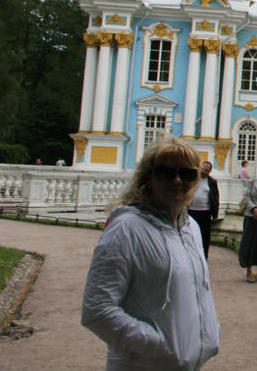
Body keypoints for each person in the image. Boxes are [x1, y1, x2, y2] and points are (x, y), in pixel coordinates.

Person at [82, 134, 220, 370]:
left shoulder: (190, 228)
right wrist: (159, 346)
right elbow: (97, 309)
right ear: (148, 177)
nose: (178, 180)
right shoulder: (126, 229)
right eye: (167, 173)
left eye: (187, 174)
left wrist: (207, 336)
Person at [188, 161, 220, 259]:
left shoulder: (212, 182)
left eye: (206, 170)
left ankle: (204, 256)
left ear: (210, 171)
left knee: (204, 236)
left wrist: (215, 214)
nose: (204, 171)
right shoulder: (193, 179)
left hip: (205, 212)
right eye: (203, 169)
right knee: (190, 234)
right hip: (192, 211)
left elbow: (215, 197)